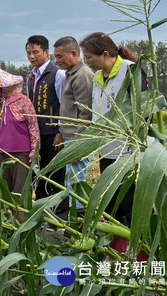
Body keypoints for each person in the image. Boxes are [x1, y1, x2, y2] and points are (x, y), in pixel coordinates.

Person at [79, 32, 148, 256]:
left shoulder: (131, 71)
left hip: (129, 151)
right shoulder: (99, 77)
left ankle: (140, 249)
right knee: (111, 199)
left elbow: (145, 111)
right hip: (107, 150)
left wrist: (135, 139)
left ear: (106, 54)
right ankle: (117, 247)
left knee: (131, 200)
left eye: (89, 57)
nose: (86, 61)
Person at [0, 67, 39, 222]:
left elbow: (33, 126)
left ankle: (22, 226)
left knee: (19, 192)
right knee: (5, 191)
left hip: (20, 154)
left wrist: (35, 151)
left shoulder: (22, 101)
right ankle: (9, 224)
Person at [25, 35, 69, 219]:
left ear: (46, 51)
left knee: (57, 174)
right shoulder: (31, 77)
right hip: (37, 134)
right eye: (28, 53)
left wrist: (61, 130)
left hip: (53, 133)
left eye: (35, 52)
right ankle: (42, 213)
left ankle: (61, 214)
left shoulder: (57, 74)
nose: (31, 56)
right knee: (40, 174)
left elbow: (63, 103)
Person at [53, 37, 94, 210]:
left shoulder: (82, 76)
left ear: (74, 53)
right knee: (71, 182)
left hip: (78, 140)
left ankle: (79, 220)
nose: (57, 61)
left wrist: (79, 146)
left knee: (77, 184)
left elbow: (86, 114)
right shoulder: (71, 74)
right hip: (70, 137)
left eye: (60, 56)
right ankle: (75, 222)